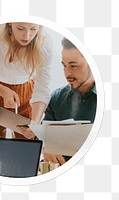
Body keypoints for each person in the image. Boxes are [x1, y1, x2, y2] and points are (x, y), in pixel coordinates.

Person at [20, 37, 97, 166]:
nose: (67, 73)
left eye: (73, 66)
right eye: (64, 66)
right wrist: (46, 148)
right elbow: (44, 139)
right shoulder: (56, 98)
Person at [0, 22, 53, 147]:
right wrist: (4, 91)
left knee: (27, 146)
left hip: (27, 92)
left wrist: (35, 123)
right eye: (20, 28)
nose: (27, 36)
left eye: (33, 29)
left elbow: (42, 89)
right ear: (10, 23)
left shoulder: (46, 41)